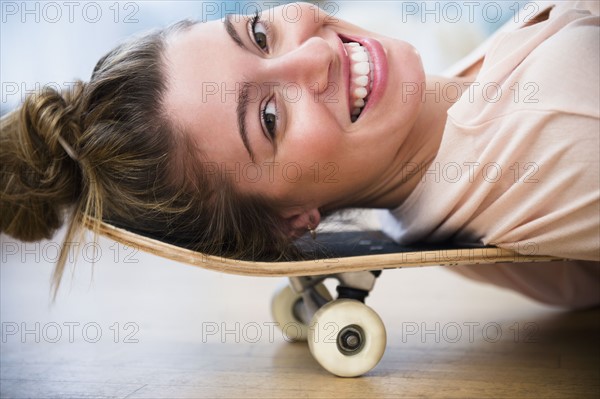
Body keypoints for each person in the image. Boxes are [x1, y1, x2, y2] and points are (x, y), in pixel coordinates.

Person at [1, 2, 598, 306]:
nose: (314, 55)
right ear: (292, 220)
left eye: (259, 35)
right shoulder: (560, 115)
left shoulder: (438, 205)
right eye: (268, 118)